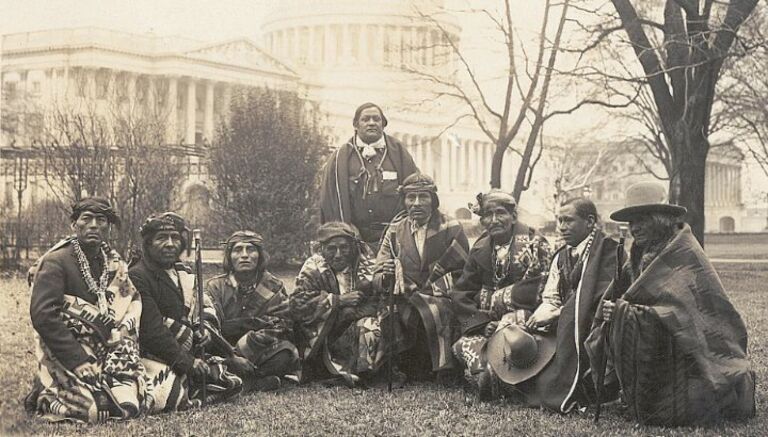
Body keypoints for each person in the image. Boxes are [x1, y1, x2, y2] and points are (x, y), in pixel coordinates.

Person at [586, 182, 755, 426]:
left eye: (642, 219)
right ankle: (636, 394)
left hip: (691, 354)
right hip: (660, 342)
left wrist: (624, 312)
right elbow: (617, 295)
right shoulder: (638, 253)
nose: (635, 228)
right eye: (632, 222)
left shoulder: (682, 252)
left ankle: (659, 401)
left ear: (661, 219)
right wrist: (611, 310)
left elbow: (685, 314)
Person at [27, 197, 151, 422]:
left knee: (130, 406)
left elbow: (131, 303)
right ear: (74, 225)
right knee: (94, 411)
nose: (94, 225)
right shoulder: (57, 261)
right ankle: (45, 394)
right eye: (87, 219)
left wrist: (120, 333)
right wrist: (78, 360)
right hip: (67, 353)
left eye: (101, 220)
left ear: (108, 227)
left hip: (109, 350)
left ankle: (111, 383)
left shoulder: (113, 263)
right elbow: (44, 316)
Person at [496, 197, 619, 412]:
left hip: (594, 325)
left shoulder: (608, 251)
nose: (562, 227)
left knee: (546, 385)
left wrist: (557, 315)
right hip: (566, 322)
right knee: (518, 332)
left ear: (590, 222)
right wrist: (540, 318)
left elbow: (599, 299)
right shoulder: (562, 255)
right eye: (559, 220)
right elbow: (551, 297)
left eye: (568, 221)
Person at [129, 212, 245, 411]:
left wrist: (203, 332)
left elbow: (200, 312)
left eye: (175, 238)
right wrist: (187, 362)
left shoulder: (184, 273)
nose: (170, 244)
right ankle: (189, 387)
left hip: (185, 349)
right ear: (148, 243)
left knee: (231, 381)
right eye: (161, 238)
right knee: (169, 395)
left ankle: (202, 381)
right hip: (152, 353)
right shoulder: (137, 275)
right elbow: (152, 330)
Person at [449, 190, 550, 401]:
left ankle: (506, 379)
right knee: (461, 346)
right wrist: (482, 321)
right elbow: (463, 291)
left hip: (525, 320)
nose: (494, 220)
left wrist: (492, 300)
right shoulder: (480, 248)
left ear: (513, 216)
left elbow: (538, 288)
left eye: (501, 213)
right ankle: (488, 374)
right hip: (488, 322)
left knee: (516, 344)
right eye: (488, 215)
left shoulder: (534, 243)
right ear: (482, 219)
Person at [374, 173, 469, 383]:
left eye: (423, 197)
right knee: (388, 311)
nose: (416, 203)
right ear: (404, 200)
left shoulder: (451, 228)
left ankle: (445, 369)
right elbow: (378, 272)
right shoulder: (394, 231)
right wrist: (387, 273)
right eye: (411, 197)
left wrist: (429, 292)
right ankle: (398, 366)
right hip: (405, 296)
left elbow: (463, 272)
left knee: (439, 309)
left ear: (433, 200)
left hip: (441, 295)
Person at [290, 222, 380, 386]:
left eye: (344, 248)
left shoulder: (367, 266)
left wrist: (351, 315)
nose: (338, 255)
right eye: (331, 248)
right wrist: (338, 301)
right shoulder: (314, 266)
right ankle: (329, 371)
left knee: (371, 326)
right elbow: (297, 304)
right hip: (325, 335)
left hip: (357, 330)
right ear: (322, 249)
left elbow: (377, 301)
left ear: (353, 247)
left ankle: (365, 372)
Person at [317, 102, 419, 246]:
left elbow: (415, 191)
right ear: (355, 124)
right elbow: (329, 200)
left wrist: (399, 229)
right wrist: (346, 230)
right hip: (352, 238)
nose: (371, 123)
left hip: (395, 238)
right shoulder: (340, 157)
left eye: (376, 119)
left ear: (383, 124)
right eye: (366, 119)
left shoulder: (399, 153)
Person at [206, 231, 300, 384]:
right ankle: (253, 382)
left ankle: (235, 379)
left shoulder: (273, 286)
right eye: (238, 250)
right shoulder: (215, 286)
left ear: (260, 256)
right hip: (223, 351)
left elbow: (282, 326)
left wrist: (243, 348)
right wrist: (231, 357)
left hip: (256, 350)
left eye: (250, 249)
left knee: (285, 353)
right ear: (229, 257)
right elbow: (210, 325)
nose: (244, 255)